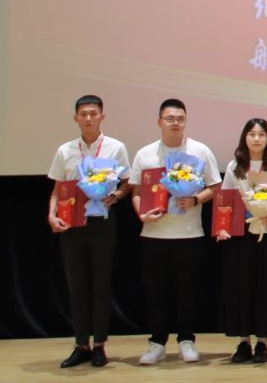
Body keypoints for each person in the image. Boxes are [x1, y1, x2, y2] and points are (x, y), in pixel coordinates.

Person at [130, 98, 221, 365]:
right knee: (155, 292)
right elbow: (136, 192)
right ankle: (157, 343)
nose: (175, 123)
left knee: (187, 291)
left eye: (180, 119)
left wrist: (194, 199)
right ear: (159, 122)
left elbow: (214, 187)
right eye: (170, 119)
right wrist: (141, 213)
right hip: (153, 234)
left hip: (189, 234)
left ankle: (186, 341)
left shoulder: (200, 151)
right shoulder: (145, 154)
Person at [46, 94, 131, 368]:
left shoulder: (116, 148)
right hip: (71, 223)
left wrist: (115, 196)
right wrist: (51, 215)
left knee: (100, 285)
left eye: (93, 113)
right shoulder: (65, 150)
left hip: (102, 223)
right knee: (77, 286)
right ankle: (81, 344)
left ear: (102, 116)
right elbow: (57, 190)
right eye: (83, 114)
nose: (89, 118)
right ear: (75, 118)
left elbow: (128, 183)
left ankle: (100, 346)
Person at [217, 118, 267, 363]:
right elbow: (226, 199)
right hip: (240, 233)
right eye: (252, 134)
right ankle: (243, 342)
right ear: (244, 138)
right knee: (242, 284)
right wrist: (223, 227)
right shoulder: (235, 166)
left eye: (261, 134)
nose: (256, 139)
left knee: (264, 285)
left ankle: (262, 342)